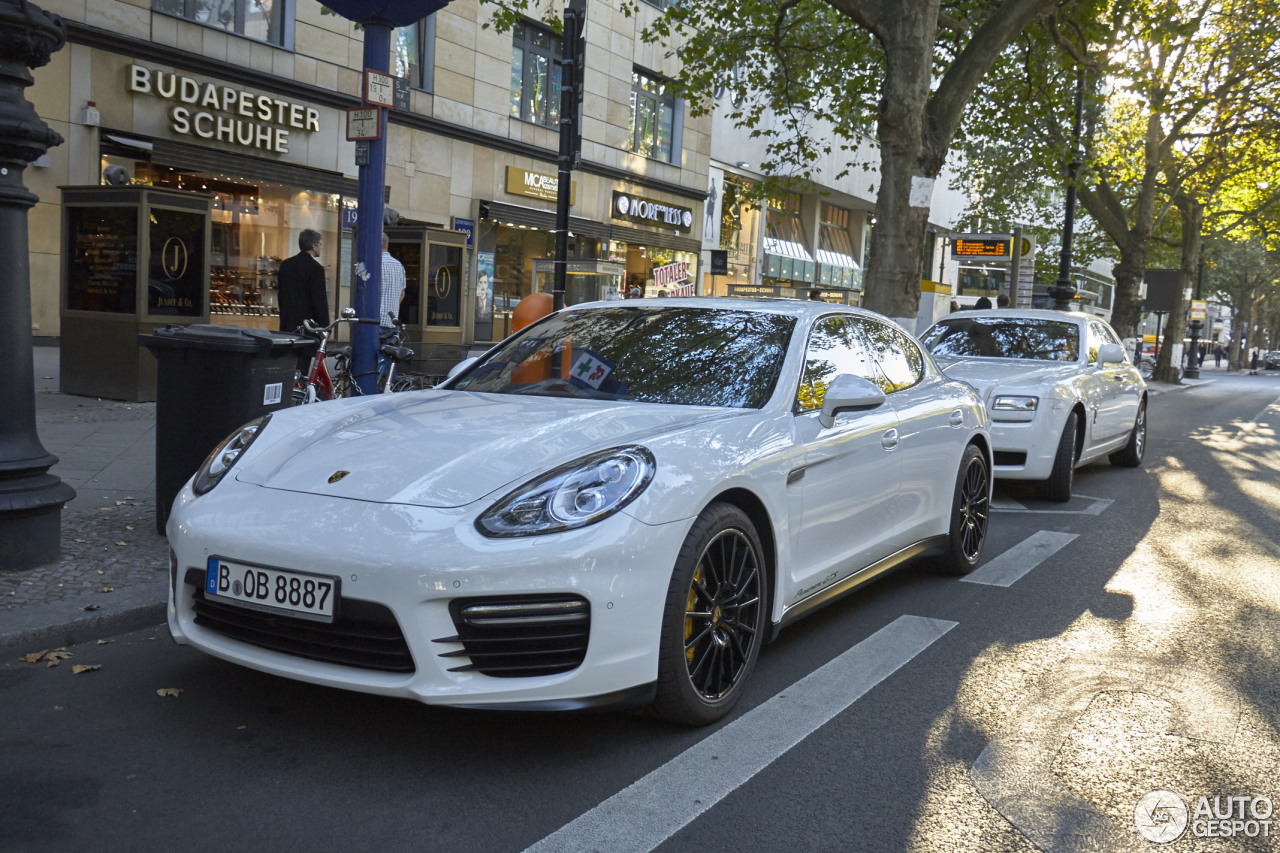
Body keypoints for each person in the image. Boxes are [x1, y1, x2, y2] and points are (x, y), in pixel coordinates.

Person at [277, 228, 328, 333]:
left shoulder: (286, 265)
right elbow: (319, 300)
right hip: (308, 326)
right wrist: (324, 326)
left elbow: (281, 295)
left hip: (288, 324)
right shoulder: (316, 268)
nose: (322, 247)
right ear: (314, 246)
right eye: (320, 244)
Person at [380, 232, 406, 328]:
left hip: (374, 321)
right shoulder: (399, 265)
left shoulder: (374, 264)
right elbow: (402, 293)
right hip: (392, 321)